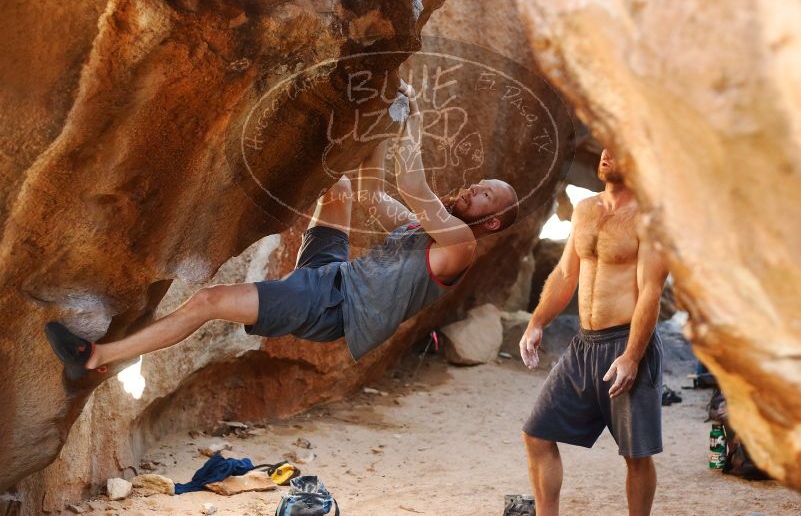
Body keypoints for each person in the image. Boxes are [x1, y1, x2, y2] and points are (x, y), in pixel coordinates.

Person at [45, 82, 519, 381]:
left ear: (491, 221)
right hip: (332, 276)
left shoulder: (460, 244)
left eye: (486, 195)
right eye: (481, 183)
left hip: (336, 306)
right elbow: (376, 196)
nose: (475, 187)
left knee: (206, 304)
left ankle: (94, 357)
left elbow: (411, 185)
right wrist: (381, 122)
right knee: (343, 186)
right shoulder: (430, 229)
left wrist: (412, 123)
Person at [519, 148, 668, 516]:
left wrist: (632, 357)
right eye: (605, 146)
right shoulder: (586, 209)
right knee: (537, 433)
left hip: (626, 343)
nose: (606, 153)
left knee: (636, 455)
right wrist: (537, 322)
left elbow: (651, 291)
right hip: (584, 346)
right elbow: (566, 274)